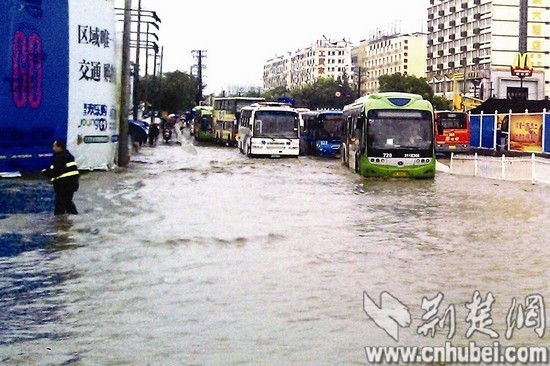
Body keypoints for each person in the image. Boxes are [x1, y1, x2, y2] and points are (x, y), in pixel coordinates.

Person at [43, 139, 80, 216]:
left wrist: (45, 173)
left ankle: (59, 224)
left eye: (55, 146)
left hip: (64, 185)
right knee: (68, 202)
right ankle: (74, 218)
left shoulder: (58, 158)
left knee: (60, 205)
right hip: (73, 184)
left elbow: (55, 171)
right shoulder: (69, 156)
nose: (53, 148)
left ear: (59, 147)